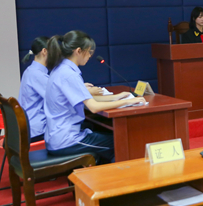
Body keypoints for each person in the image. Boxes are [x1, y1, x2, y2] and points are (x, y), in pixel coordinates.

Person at [44, 30, 145, 164]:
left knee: (110, 136)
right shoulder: (69, 74)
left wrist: (116, 97)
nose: (90, 56)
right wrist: (128, 102)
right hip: (66, 141)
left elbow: (88, 100)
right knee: (122, 142)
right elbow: (94, 107)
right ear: (78, 51)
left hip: (57, 137)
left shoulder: (60, 69)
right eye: (89, 52)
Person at [18, 37, 50, 141]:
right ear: (44, 51)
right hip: (37, 130)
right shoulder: (37, 75)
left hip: (28, 125)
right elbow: (58, 96)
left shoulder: (30, 70)